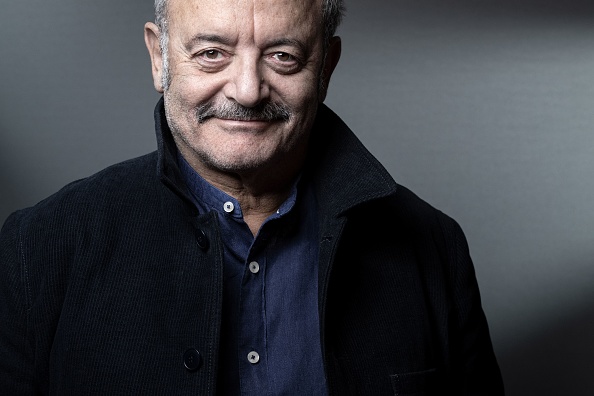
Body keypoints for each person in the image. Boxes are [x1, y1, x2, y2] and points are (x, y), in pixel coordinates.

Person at [0, 0, 504, 394]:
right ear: (160, 59)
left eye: (283, 56)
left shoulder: (433, 248)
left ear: (326, 66)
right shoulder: (36, 250)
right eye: (212, 53)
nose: (246, 90)